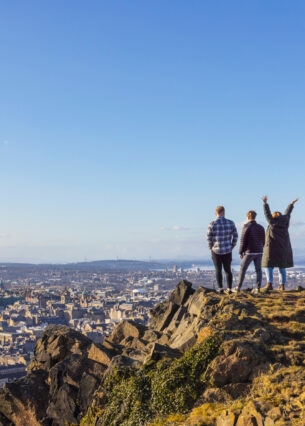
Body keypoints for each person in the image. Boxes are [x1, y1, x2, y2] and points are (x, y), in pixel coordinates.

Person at [261, 196, 299, 291]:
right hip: (283, 248)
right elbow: (288, 213)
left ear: (273, 217)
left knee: (267, 265)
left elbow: (267, 214)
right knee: (282, 267)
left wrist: (265, 203)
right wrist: (291, 204)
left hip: (271, 248)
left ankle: (269, 283)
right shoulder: (285, 222)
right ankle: (282, 285)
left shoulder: (272, 222)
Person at [206, 206, 238, 294]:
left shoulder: (212, 224)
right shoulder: (231, 223)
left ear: (216, 213)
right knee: (228, 270)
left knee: (218, 270)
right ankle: (229, 288)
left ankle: (220, 288)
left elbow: (208, 238)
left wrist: (211, 247)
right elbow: (235, 236)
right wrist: (232, 246)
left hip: (216, 251)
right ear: (224, 212)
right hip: (227, 250)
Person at [232, 210, 265, 294]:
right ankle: (257, 288)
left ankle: (238, 287)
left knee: (243, 269)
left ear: (247, 217)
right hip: (259, 251)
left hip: (249, 252)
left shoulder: (246, 227)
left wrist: (240, 252)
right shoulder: (261, 227)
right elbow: (263, 240)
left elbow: (243, 240)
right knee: (258, 270)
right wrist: (261, 248)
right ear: (255, 217)